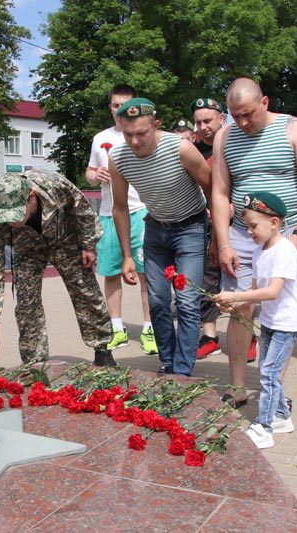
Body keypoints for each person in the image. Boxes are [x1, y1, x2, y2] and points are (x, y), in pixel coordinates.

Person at [211, 77, 297, 407]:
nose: (243, 123)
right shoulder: (225, 137)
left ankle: (273, 390)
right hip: (241, 236)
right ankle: (237, 386)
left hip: (286, 237)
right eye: (235, 115)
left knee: (281, 312)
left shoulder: (295, 129)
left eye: (248, 114)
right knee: (239, 306)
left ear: (265, 102)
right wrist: (223, 245)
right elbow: (219, 193)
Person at [109, 97, 211, 376]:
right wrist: (127, 256)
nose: (135, 141)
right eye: (128, 134)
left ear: (156, 125)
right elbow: (120, 207)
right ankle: (167, 362)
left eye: (142, 133)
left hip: (191, 227)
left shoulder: (181, 149)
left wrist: (220, 241)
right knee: (157, 300)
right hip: (155, 229)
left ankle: (182, 370)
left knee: (188, 300)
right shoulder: (118, 158)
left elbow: (212, 187)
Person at [0, 170, 115, 368]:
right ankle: (35, 362)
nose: (12, 222)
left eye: (17, 213)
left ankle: (102, 349)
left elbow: (82, 208)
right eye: (7, 216)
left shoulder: (53, 184)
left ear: (31, 196)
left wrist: (89, 244)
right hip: (28, 249)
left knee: (84, 289)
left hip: (64, 237)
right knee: (26, 302)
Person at [213, 192, 297, 449]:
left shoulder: (284, 250)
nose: (249, 232)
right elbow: (253, 292)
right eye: (248, 226)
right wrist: (232, 303)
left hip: (286, 324)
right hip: (271, 322)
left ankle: (264, 427)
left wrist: (236, 294)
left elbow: (272, 291)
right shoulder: (259, 251)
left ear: (274, 223)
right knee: (268, 368)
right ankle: (283, 416)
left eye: (254, 226)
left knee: (269, 372)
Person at [85, 84, 157, 355]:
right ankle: (117, 328)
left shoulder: (144, 135)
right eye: (116, 105)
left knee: (145, 273)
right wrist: (95, 175)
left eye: (125, 105)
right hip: (109, 213)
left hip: (142, 211)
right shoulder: (100, 138)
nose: (120, 110)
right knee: (112, 271)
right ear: (111, 107)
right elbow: (89, 172)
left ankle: (150, 329)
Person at [188, 97, 232, 360]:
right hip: (202, 224)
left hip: (234, 224)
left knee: (236, 280)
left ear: (221, 119)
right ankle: (210, 336)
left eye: (208, 121)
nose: (203, 126)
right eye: (198, 122)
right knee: (205, 280)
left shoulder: (233, 144)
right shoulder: (192, 150)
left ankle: (248, 336)